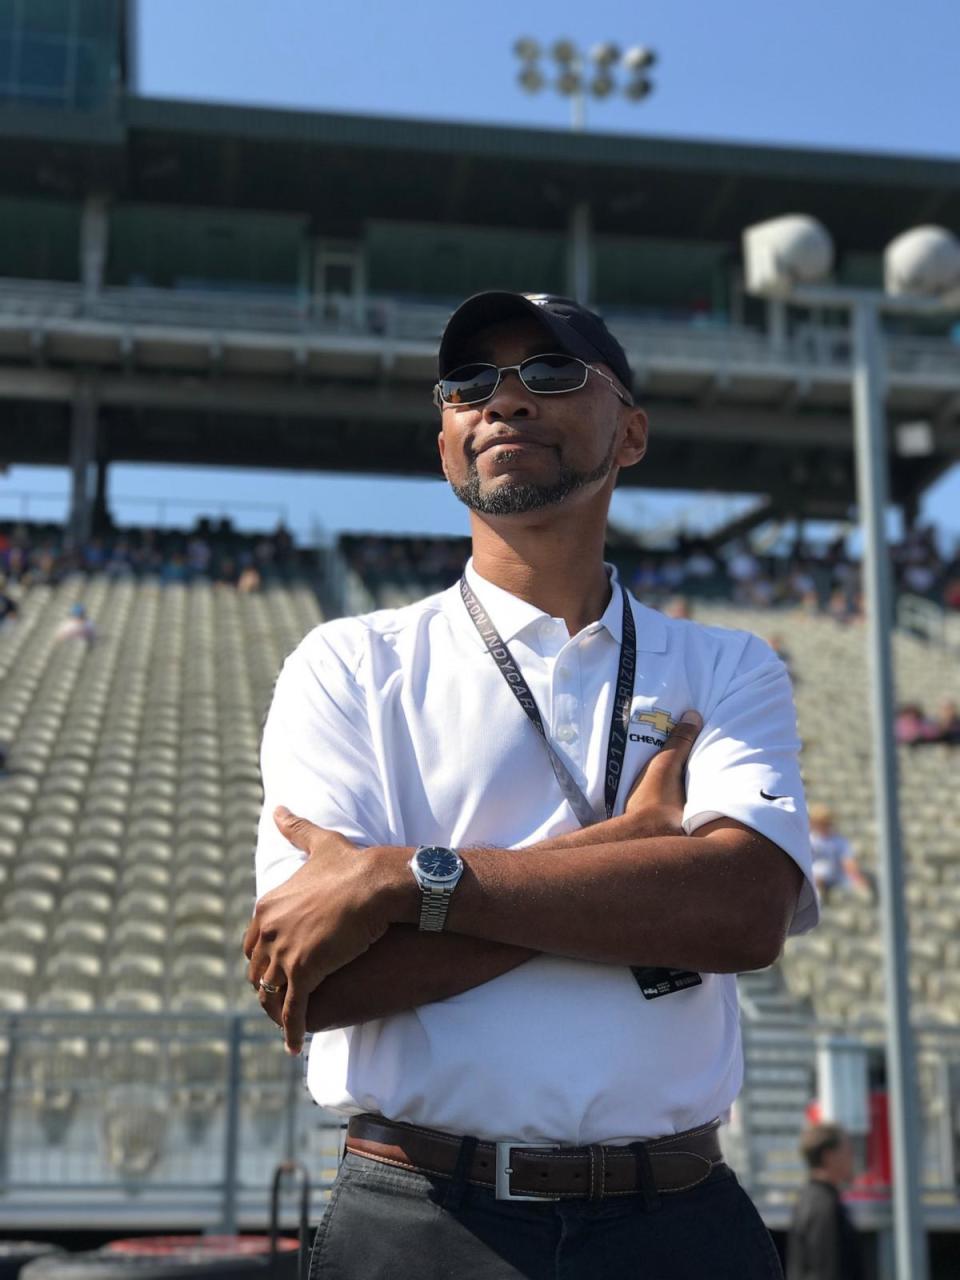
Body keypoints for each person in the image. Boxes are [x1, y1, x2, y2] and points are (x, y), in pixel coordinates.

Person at [244, 291, 818, 1279]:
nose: (503, 401)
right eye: (470, 384)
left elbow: (741, 909)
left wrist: (400, 886)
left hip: (675, 1216)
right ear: (443, 442)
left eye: (551, 374)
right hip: (419, 1215)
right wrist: (627, 852)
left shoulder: (727, 664)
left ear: (630, 432)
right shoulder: (347, 661)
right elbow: (325, 982)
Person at [787, 1122, 864, 1280]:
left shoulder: (808, 1197)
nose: (853, 1159)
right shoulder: (824, 1205)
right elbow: (825, 1270)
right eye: (848, 1152)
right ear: (829, 1156)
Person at [809, 804, 873, 903]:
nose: (823, 825)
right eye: (820, 822)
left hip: (835, 875)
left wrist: (858, 879)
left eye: (826, 822)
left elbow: (848, 862)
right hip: (815, 876)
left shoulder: (839, 841)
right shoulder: (810, 840)